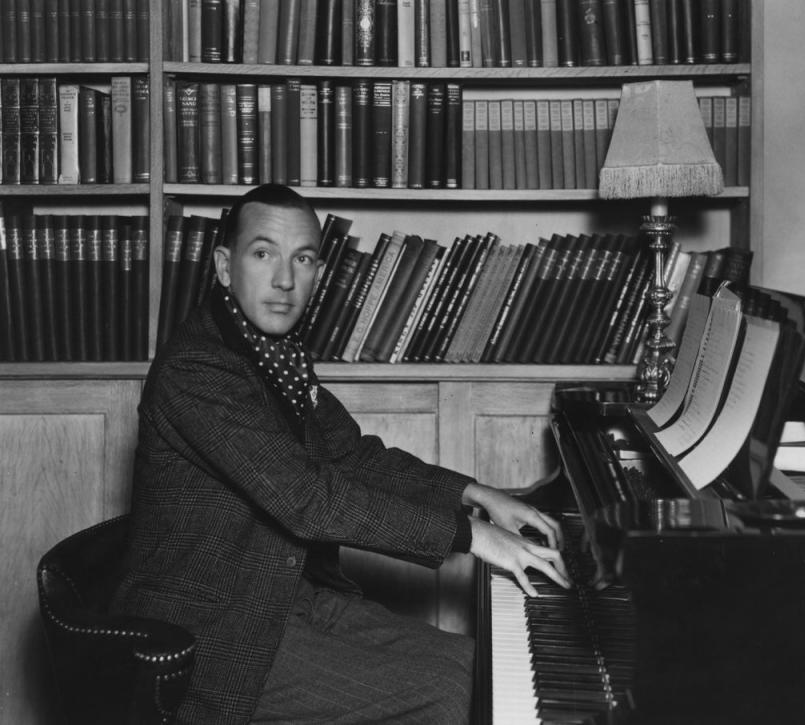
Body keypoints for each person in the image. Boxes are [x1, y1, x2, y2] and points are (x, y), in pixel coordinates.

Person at [110, 183, 571, 724]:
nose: (285, 280)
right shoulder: (197, 369)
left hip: (291, 597)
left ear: (319, 272)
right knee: (452, 694)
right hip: (215, 630)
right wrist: (471, 536)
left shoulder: (275, 355)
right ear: (223, 266)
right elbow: (308, 499)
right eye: (263, 254)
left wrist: (475, 494)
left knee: (478, 668)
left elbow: (354, 459)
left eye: (302, 259)